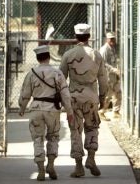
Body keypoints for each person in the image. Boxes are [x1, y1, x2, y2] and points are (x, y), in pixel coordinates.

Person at [59, 23, 108, 178]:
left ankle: (79, 166)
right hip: (91, 96)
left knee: (75, 130)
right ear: (89, 36)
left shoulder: (68, 55)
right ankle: (91, 158)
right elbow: (103, 79)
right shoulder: (96, 54)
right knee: (92, 127)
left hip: (73, 97)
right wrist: (102, 96)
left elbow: (61, 79)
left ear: (76, 36)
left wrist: (62, 99)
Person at [19, 45, 74, 181]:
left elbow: (25, 94)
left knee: (38, 139)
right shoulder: (57, 73)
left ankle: (40, 169)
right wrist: (69, 111)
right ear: (49, 57)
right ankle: (50, 164)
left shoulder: (31, 73)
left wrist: (22, 108)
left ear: (37, 58)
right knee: (53, 137)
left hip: (36, 109)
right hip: (52, 110)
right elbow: (65, 95)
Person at [99, 32, 122, 121]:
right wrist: (114, 70)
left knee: (118, 92)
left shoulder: (113, 48)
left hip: (114, 75)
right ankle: (101, 111)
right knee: (108, 94)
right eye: (110, 39)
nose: (112, 40)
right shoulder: (104, 49)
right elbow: (103, 63)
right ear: (107, 39)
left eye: (113, 38)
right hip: (107, 75)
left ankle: (116, 111)